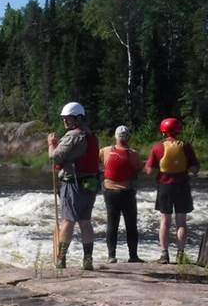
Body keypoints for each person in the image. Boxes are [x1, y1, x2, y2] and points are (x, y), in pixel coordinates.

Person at [47, 101, 101, 270]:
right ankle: (87, 260)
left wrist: (51, 144)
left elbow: (55, 157)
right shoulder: (91, 135)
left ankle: (61, 260)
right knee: (85, 221)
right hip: (90, 183)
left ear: (78, 118)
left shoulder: (73, 136)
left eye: (68, 119)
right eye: (64, 119)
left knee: (68, 221)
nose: (65, 122)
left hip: (73, 184)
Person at [144, 117, 199, 264]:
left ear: (164, 131)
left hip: (164, 187)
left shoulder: (157, 147)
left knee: (165, 222)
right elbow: (194, 169)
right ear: (178, 130)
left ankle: (164, 254)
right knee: (181, 222)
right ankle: (180, 254)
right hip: (182, 186)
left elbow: (149, 171)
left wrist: (156, 169)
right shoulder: (186, 146)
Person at [99, 125, 143, 263]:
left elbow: (97, 163)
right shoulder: (133, 153)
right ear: (128, 137)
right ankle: (133, 256)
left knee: (112, 224)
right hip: (127, 192)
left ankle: (111, 256)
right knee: (131, 225)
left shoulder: (105, 151)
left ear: (115, 137)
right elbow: (137, 168)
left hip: (110, 192)